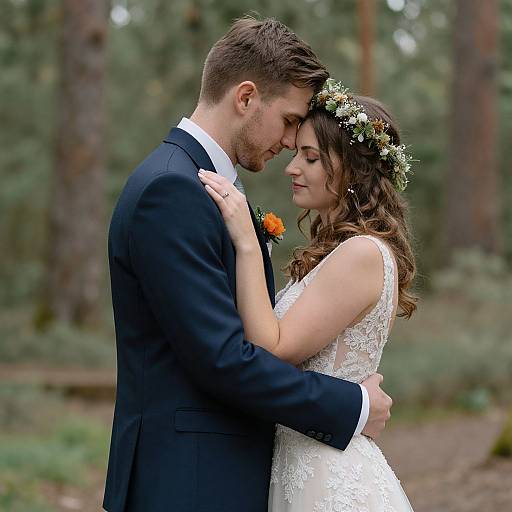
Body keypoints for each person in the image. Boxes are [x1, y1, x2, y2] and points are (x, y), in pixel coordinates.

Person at [103, 18, 392, 512]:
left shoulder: (203, 184)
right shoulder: (171, 190)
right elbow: (223, 359)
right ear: (245, 97)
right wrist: (352, 404)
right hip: (188, 481)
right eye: (287, 121)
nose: (287, 144)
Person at [199, 78, 417, 510]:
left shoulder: (361, 253)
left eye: (311, 157)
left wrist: (245, 241)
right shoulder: (342, 252)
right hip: (303, 462)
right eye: (296, 151)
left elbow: (272, 348)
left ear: (353, 170)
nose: (291, 167)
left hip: (330, 475)